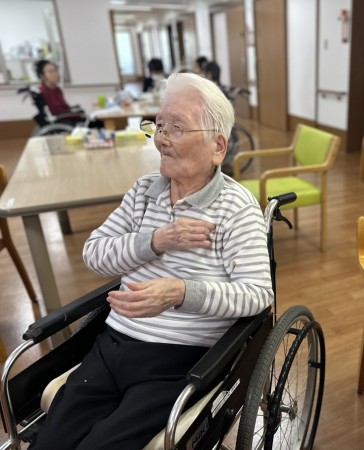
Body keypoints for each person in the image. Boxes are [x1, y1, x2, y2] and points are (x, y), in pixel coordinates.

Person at [30, 73, 274, 450]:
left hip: (180, 360)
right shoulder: (144, 191)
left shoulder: (236, 208)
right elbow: (94, 253)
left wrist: (181, 293)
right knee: (50, 442)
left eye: (177, 128)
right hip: (112, 345)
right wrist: (156, 240)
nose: (161, 139)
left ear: (218, 146)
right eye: (159, 126)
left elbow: (257, 294)